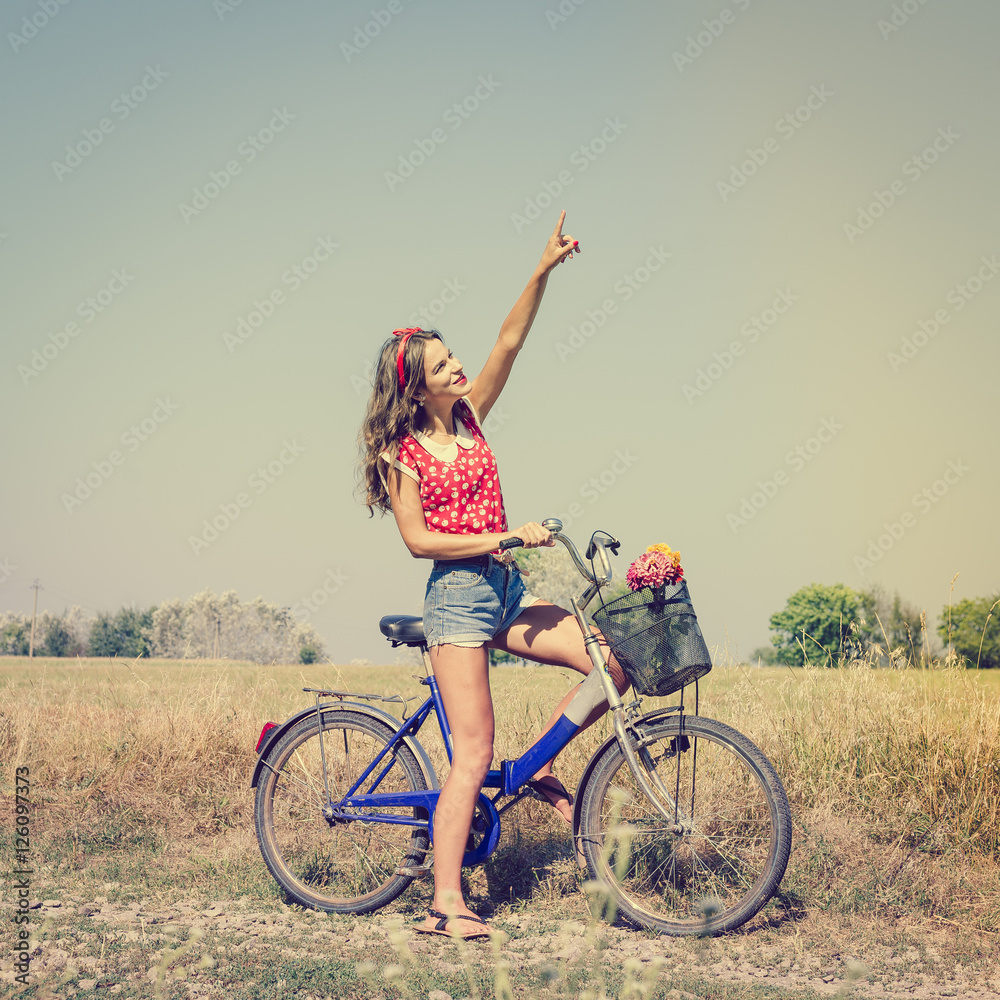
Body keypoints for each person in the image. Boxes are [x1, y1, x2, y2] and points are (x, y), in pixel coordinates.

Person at [357, 211, 629, 940]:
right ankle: (444, 902)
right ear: (417, 384)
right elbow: (418, 542)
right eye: (443, 363)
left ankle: (538, 765)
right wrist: (502, 533)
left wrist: (541, 270)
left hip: (506, 590)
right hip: (458, 604)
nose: (457, 366)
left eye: (454, 358)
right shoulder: (402, 453)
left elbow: (511, 339)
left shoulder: (472, 418)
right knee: (472, 754)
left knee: (611, 661)